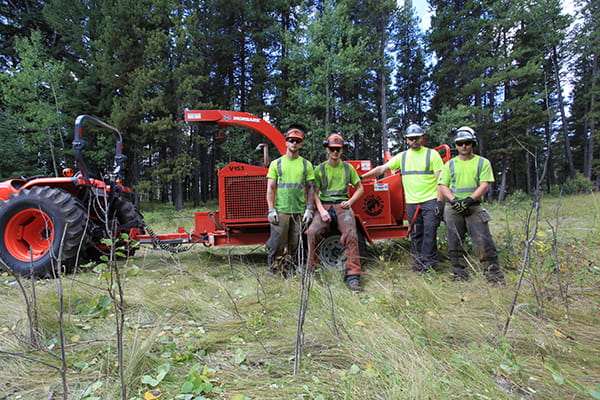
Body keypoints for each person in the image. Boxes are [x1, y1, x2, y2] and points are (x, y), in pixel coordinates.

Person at [361, 124, 444, 273]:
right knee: (416, 233)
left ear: (422, 138)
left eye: (417, 138)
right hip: (412, 202)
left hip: (430, 200)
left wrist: (439, 201)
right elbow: (382, 169)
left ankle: (429, 265)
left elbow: (441, 180)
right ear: (406, 139)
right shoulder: (403, 157)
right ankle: (418, 263)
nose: (414, 141)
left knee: (430, 232)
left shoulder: (432, 155)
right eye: (411, 139)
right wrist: (361, 177)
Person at [438, 126, 505, 284]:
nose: (464, 146)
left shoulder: (482, 163)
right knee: (455, 242)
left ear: (472, 143)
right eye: (460, 143)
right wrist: (454, 200)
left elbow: (484, 184)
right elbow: (442, 185)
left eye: (467, 143)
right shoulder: (449, 165)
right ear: (456, 145)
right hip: (453, 209)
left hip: (474, 207)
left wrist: (469, 200)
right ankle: (459, 275)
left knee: (483, 241)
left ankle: (493, 276)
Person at [307, 133, 365, 292]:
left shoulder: (348, 168)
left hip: (342, 206)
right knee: (313, 232)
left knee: (351, 235)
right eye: (332, 149)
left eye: (338, 149)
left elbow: (360, 188)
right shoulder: (319, 169)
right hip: (324, 206)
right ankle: (312, 271)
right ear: (327, 149)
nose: (335, 152)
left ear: (342, 150)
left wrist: (350, 202)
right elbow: (315, 193)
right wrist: (321, 211)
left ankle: (353, 277)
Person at [266, 125, 315, 276]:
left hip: (299, 212)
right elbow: (270, 188)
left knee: (295, 243)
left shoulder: (306, 164)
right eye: (291, 140)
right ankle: (275, 271)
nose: (294, 143)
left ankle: (291, 269)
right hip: (281, 210)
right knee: (277, 243)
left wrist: (309, 208)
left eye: (297, 141)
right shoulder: (276, 164)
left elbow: (311, 188)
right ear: (286, 142)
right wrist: (271, 209)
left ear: (301, 143)